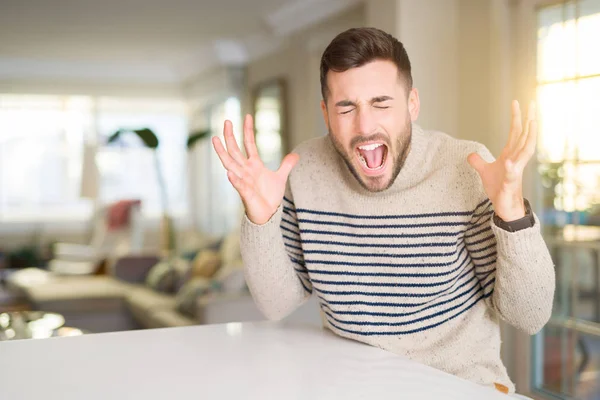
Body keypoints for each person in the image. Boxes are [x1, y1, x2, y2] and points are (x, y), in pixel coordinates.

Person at [212, 27, 554, 396]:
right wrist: (261, 217)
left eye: (381, 103)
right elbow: (276, 305)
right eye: (347, 107)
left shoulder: (463, 168)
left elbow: (529, 316)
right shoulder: (306, 169)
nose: (365, 126)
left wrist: (512, 213)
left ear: (412, 104)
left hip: (458, 386)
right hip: (355, 385)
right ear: (326, 113)